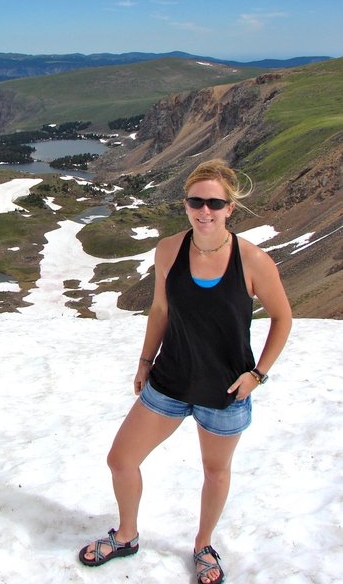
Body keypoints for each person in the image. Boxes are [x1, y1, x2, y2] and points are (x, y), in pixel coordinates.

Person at [78, 159, 292, 584]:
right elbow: (160, 309)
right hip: (170, 380)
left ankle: (203, 545)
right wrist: (144, 361)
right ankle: (126, 535)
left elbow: (283, 318)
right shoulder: (169, 250)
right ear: (186, 203)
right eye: (197, 200)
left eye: (215, 202)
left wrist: (258, 374)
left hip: (226, 390)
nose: (205, 210)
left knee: (215, 472)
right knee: (121, 459)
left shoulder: (252, 261)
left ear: (231, 208)